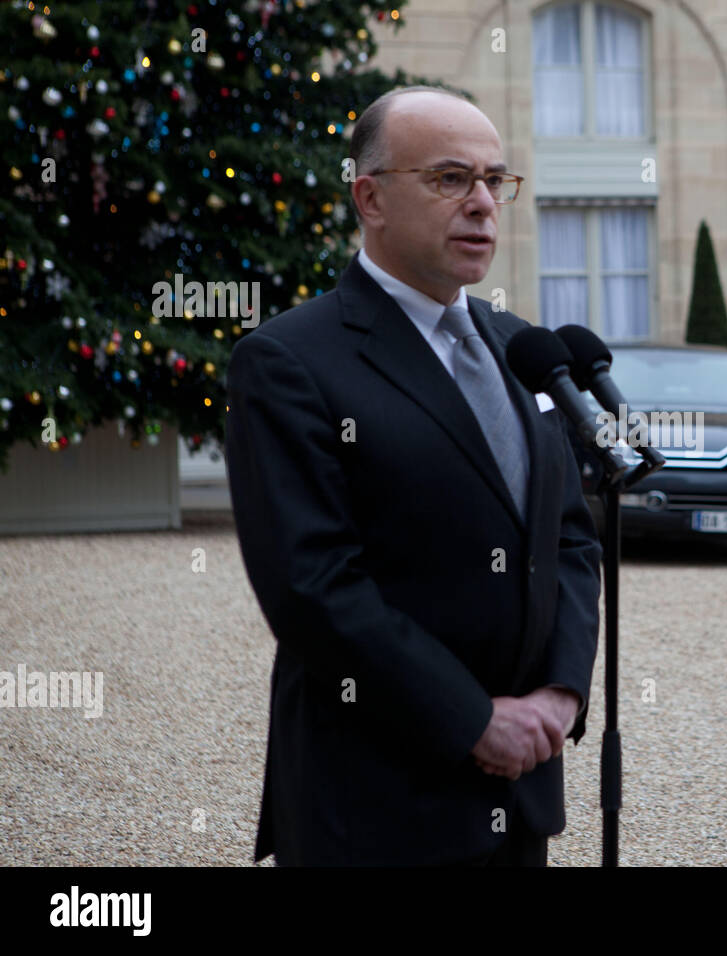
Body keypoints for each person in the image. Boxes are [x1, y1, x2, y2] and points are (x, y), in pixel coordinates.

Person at [223, 86, 602, 866]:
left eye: (495, 181)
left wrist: (558, 697)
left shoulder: (518, 346)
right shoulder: (290, 360)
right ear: (370, 197)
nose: (482, 205)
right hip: (372, 803)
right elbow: (313, 586)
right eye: (450, 178)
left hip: (520, 791)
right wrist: (473, 719)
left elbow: (567, 539)